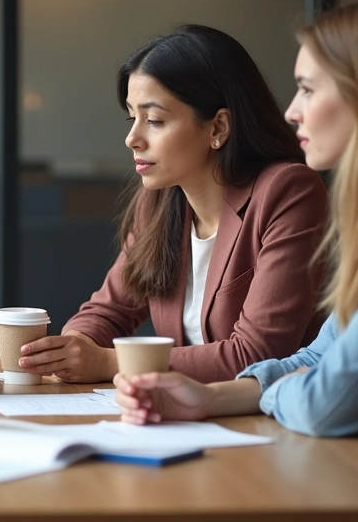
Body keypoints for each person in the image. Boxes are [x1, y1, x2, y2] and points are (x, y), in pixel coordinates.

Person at [114, 0, 358, 518]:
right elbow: (318, 358)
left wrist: (268, 393)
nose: (291, 111)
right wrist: (209, 398)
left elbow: (330, 401)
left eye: (307, 88)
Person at [18, 25, 328, 384]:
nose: (132, 138)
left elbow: (258, 354)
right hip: (183, 409)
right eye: (132, 117)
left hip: (269, 412)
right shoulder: (160, 202)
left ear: (218, 128)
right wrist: (75, 346)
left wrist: (109, 362)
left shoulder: (287, 191)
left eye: (154, 120)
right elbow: (108, 311)